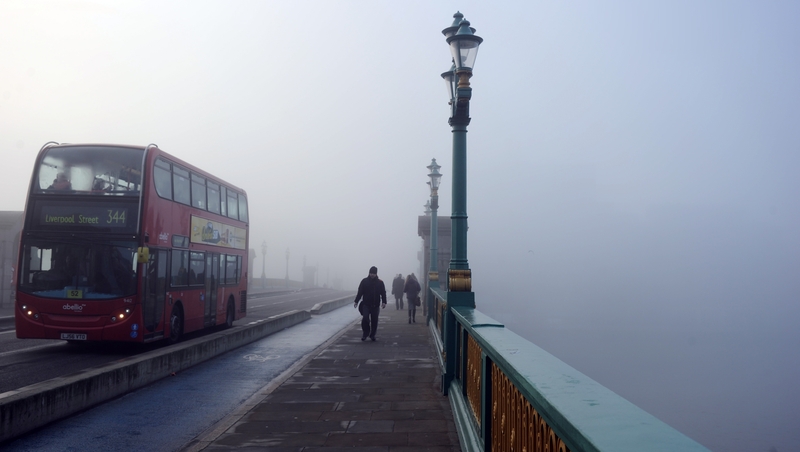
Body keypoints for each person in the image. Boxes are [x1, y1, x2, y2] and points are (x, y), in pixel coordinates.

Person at [353, 266, 387, 341]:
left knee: (374, 320)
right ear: (369, 273)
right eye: (371, 273)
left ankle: (372, 335)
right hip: (366, 304)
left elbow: (383, 293)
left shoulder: (380, 282)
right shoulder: (364, 281)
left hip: (375, 305)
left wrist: (384, 302)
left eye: (374, 273)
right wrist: (356, 301)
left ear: (376, 274)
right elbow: (360, 292)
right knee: (365, 318)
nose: (372, 275)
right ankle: (365, 333)